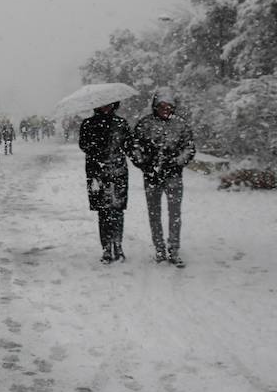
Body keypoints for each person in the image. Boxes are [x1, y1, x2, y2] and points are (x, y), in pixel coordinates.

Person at [130, 91, 195, 265]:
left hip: (173, 176)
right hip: (152, 176)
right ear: (155, 107)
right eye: (161, 106)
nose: (165, 110)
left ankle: (174, 249)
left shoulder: (181, 125)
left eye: (169, 107)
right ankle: (159, 248)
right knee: (154, 214)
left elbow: (189, 148)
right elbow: (134, 146)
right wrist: (144, 164)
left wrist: (176, 162)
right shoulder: (145, 124)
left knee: (175, 214)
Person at [79, 102, 132, 263]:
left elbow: (129, 145)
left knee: (117, 209)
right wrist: (99, 144)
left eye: (109, 104)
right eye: (103, 104)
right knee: (103, 211)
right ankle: (106, 247)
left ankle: (118, 244)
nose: (106, 107)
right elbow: (84, 145)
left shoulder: (121, 123)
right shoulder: (88, 124)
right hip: (97, 172)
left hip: (118, 172)